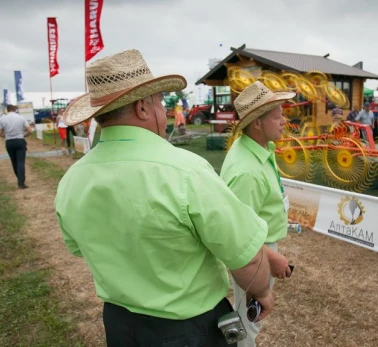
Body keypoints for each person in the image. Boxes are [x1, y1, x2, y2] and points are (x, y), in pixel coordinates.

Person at [54, 49, 274, 347]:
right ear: (143, 108)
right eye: (159, 102)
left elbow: (79, 249)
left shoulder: (72, 179)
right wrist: (261, 292)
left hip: (120, 324)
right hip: (188, 329)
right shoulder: (186, 170)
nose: (165, 111)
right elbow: (246, 257)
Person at [220, 81, 294, 347]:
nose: (284, 121)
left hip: (259, 248)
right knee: (248, 323)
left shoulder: (257, 151)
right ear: (257, 124)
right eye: (277, 116)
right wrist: (269, 256)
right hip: (255, 252)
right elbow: (238, 235)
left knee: (249, 319)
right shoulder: (246, 172)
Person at [0, 105, 32, 189]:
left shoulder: (2, 119)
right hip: (20, 140)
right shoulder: (21, 118)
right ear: (15, 109)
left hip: (9, 141)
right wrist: (23, 135)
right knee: (21, 162)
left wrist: (6, 136)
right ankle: (21, 182)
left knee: (14, 161)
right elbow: (29, 130)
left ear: (7, 110)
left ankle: (19, 178)